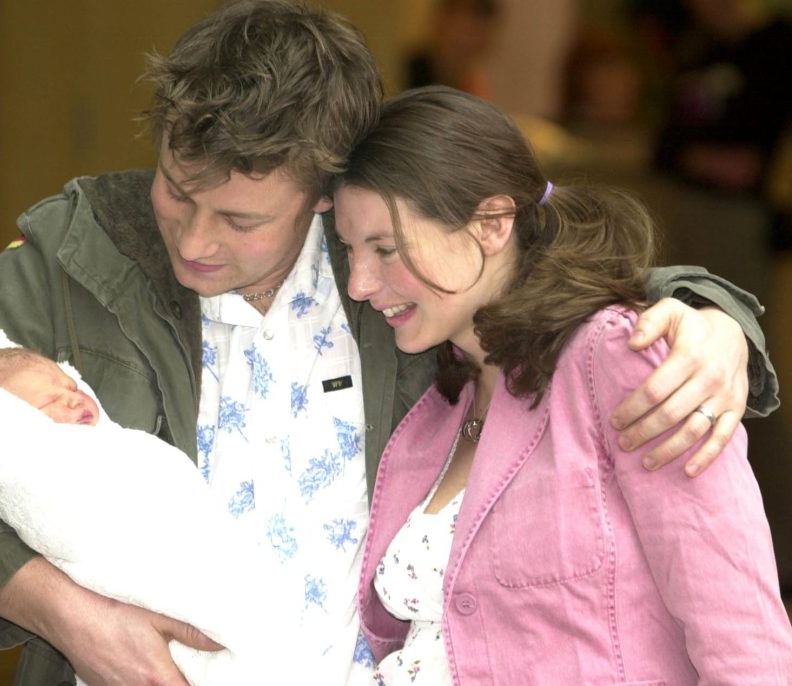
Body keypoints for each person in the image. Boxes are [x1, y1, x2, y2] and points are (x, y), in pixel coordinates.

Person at [0, 2, 778, 684]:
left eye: (242, 218)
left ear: (328, 194)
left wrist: (712, 319)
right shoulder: (84, 253)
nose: (195, 240)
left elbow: (524, 274)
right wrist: (75, 622)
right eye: (178, 187)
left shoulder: (386, 277)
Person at [335, 86, 792, 684]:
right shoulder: (435, 395)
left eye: (386, 249)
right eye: (349, 251)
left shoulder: (619, 357)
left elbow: (743, 635)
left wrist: (724, 322)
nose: (360, 284)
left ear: (493, 224)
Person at [0, 314, 337, 686]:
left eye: (70, 387)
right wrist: (77, 620)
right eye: (48, 405)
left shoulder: (119, 445)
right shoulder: (41, 471)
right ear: (12, 429)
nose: (73, 402)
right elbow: (87, 530)